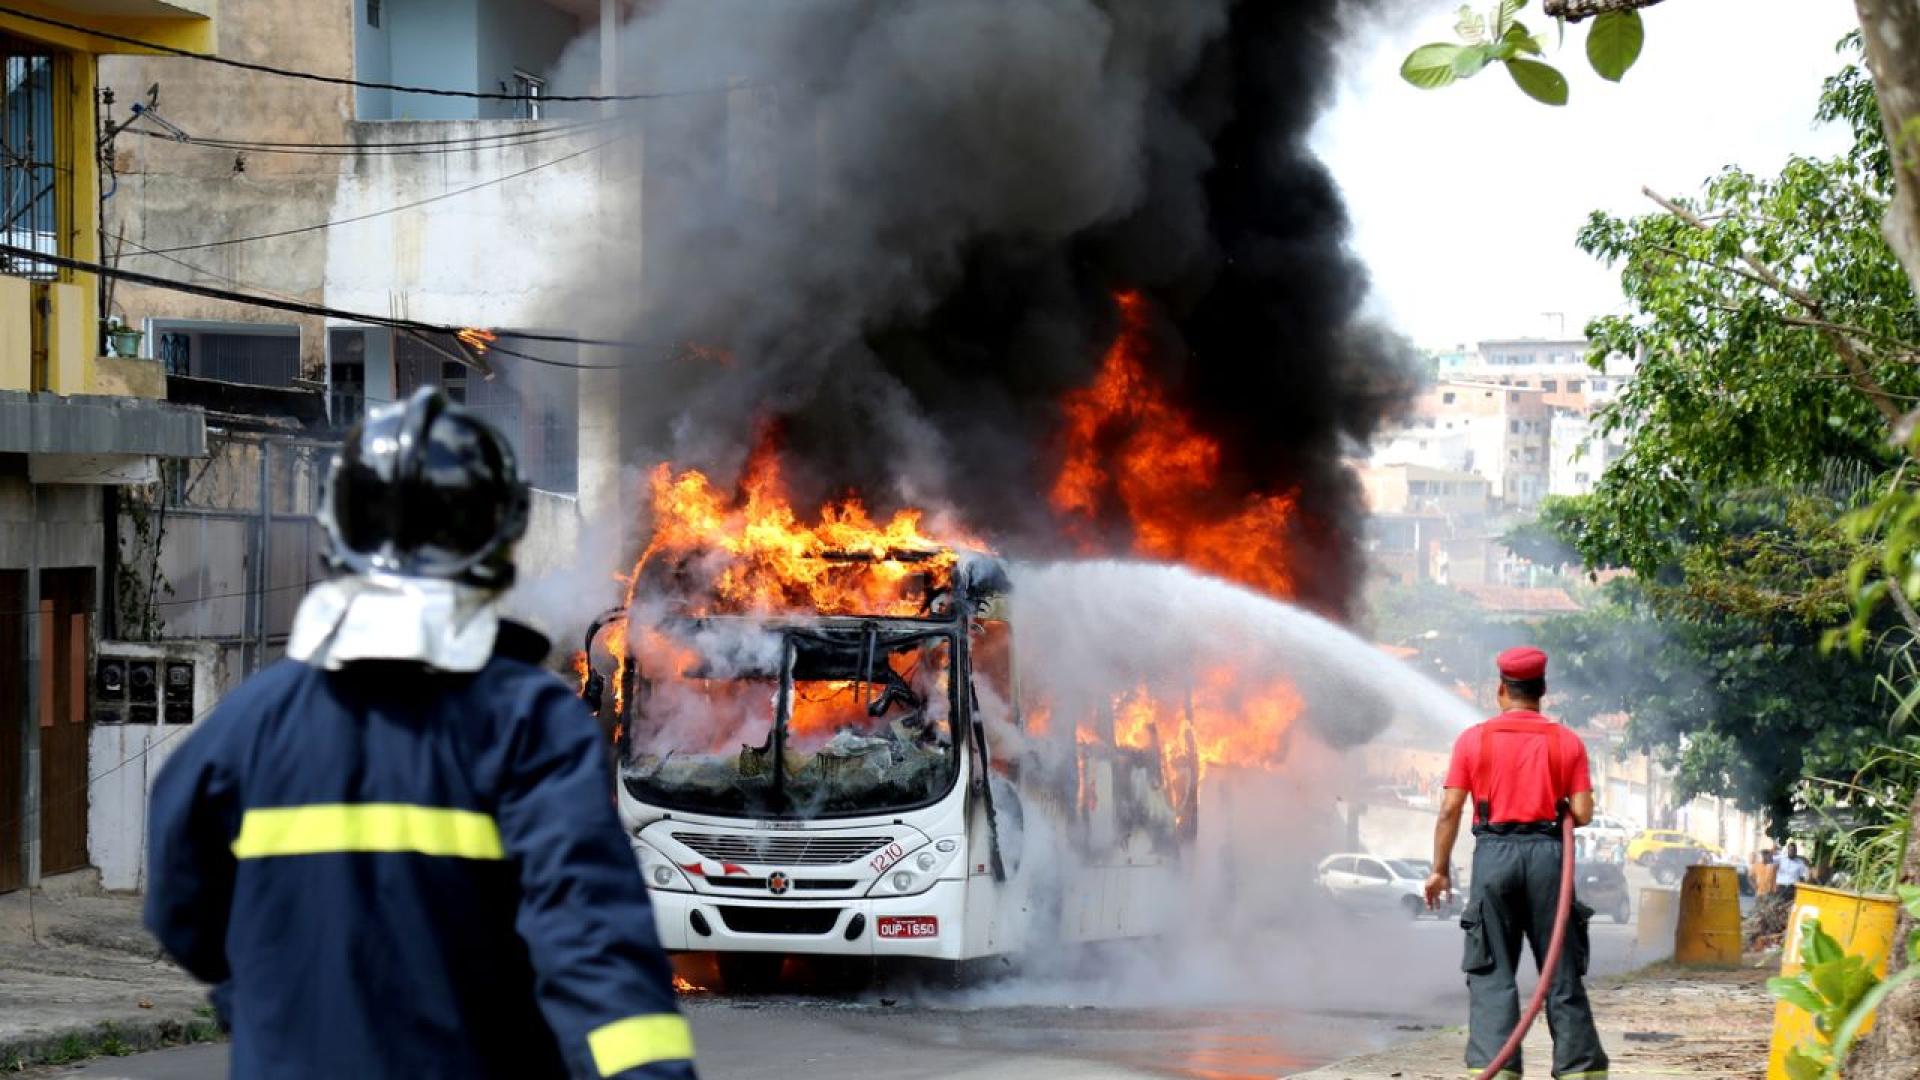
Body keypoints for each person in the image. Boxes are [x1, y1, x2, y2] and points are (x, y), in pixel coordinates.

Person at [144, 389, 697, 1080]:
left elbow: (182, 914)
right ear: (498, 534)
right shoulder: (527, 723)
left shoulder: (248, 724)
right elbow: (591, 941)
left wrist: (275, 992)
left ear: (339, 529)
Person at [1424, 647, 1608, 1080]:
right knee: (1560, 970)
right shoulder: (1567, 741)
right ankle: (1579, 1070)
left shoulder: (1474, 739)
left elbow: (1450, 808)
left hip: (1494, 855)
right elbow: (1582, 813)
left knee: (1492, 971)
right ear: (1542, 689)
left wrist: (1440, 869)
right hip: (1549, 857)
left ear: (1501, 689)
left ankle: (1498, 1069)